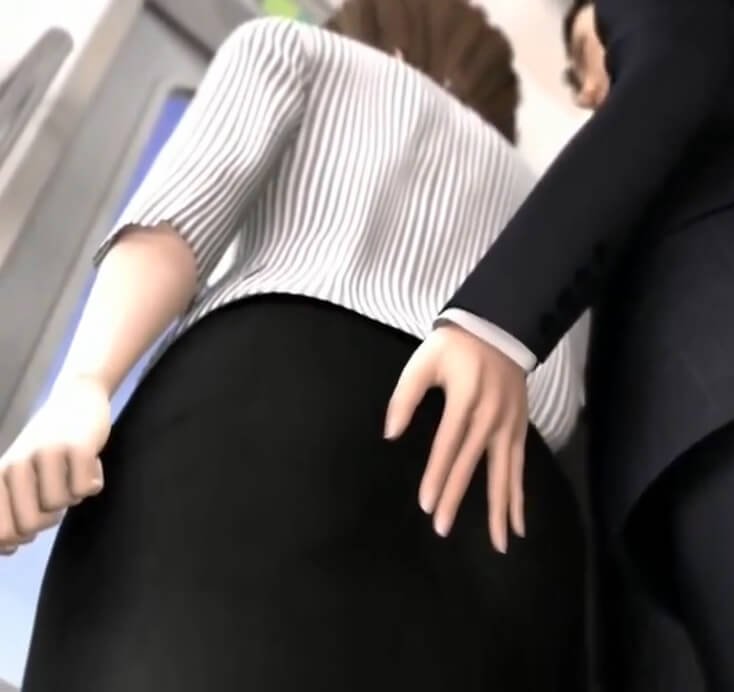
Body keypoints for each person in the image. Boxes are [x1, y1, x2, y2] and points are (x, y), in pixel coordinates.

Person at [0, 1, 588, 690]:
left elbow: (183, 215)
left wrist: (84, 385)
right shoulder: (562, 202)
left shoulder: (298, 51)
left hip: (278, 422)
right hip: (516, 524)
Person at [386, 1, 734, 690]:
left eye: (589, 52)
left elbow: (672, 68)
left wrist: (494, 320)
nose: (585, 91)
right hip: (716, 455)